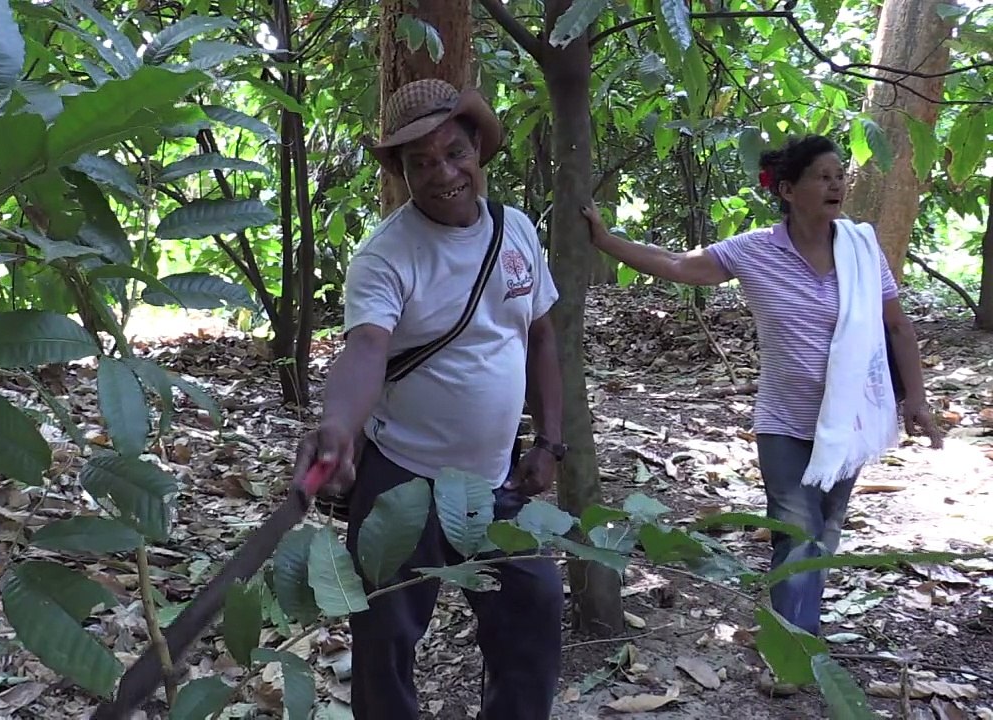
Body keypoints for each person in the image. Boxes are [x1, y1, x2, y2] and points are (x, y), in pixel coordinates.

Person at [582, 133, 944, 676]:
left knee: (824, 530)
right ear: (789, 190)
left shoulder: (862, 249)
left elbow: (897, 324)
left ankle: (801, 634)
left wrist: (915, 398)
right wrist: (607, 243)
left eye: (840, 175)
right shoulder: (755, 250)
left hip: (848, 422)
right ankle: (794, 653)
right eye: (823, 176)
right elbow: (681, 266)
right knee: (794, 531)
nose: (837, 184)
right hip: (783, 421)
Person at [290, 78, 566, 719]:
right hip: (400, 479)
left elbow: (542, 336)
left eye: (454, 154)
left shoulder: (516, 231)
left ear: (479, 152)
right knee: (384, 640)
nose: (443, 173)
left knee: (533, 608)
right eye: (421, 163)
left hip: (497, 480)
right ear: (402, 173)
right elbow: (365, 349)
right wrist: (336, 428)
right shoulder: (386, 255)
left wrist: (551, 441)